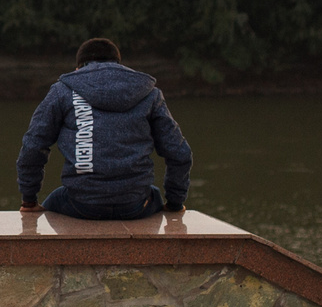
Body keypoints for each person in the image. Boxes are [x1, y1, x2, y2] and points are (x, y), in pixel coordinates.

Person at [17, 38, 192, 220]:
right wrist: (175, 202)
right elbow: (179, 153)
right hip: (136, 204)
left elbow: (33, 145)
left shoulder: (63, 91)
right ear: (119, 66)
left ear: (78, 69)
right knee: (153, 193)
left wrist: (29, 200)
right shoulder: (150, 94)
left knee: (48, 205)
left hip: (80, 203)